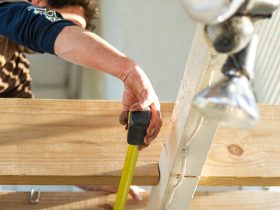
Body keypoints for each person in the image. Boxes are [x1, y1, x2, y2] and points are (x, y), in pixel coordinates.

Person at [0, 0, 162, 200]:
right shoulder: (7, 11)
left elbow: (29, 139)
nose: (69, 38)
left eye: (77, 30)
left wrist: (88, 179)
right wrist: (128, 71)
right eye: (64, 23)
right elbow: (39, 25)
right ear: (38, 3)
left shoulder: (15, 72)